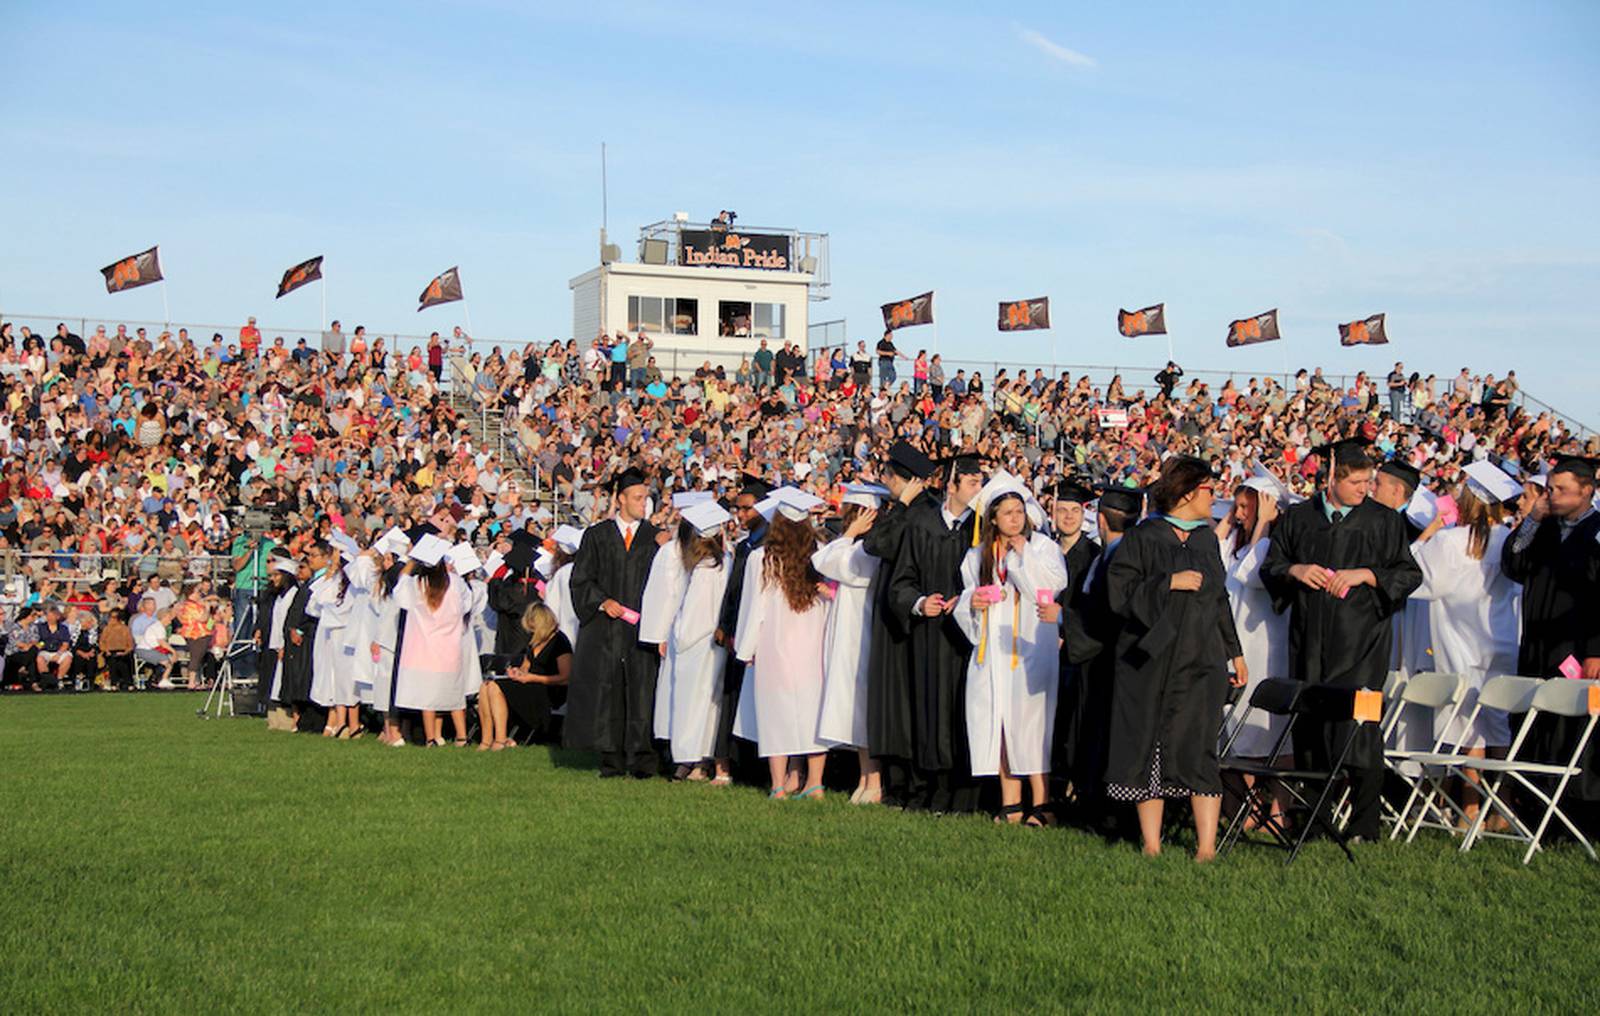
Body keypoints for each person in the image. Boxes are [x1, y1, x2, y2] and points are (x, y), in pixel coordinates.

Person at [1261, 438, 1423, 841]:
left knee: (1360, 730)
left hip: (1361, 643)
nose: (1364, 489)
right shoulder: (1300, 517)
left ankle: (1366, 825)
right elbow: (1272, 566)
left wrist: (1367, 574)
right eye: (1355, 481)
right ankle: (1315, 821)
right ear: (1332, 478)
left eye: (1369, 481)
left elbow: (1408, 574)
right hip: (1309, 641)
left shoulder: (1383, 521)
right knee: (1311, 727)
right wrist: (1296, 570)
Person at [1105, 456, 1247, 860]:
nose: (1213, 496)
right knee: (1149, 746)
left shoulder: (1205, 540)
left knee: (1201, 747)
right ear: (1186, 493)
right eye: (1207, 489)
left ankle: (1206, 849)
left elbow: (1220, 600)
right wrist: (1168, 582)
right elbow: (1118, 595)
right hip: (1152, 662)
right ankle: (1151, 845)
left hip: (1202, 659)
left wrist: (1234, 652)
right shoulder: (1144, 537)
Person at [1411, 462, 1524, 826]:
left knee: (1466, 722)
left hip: (1458, 639)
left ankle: (1470, 806)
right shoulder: (1509, 540)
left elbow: (1419, 578)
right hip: (1501, 637)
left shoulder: (1450, 541)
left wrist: (1428, 533)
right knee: (1498, 720)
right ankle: (1502, 804)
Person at [954, 474, 1069, 825]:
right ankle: (1011, 802)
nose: (1015, 519)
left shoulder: (1043, 547)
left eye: (1019, 511)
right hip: (993, 653)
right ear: (993, 519)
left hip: (1032, 650)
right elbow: (965, 599)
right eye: (1007, 513)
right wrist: (970, 601)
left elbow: (1051, 587)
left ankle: (1043, 802)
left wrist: (1023, 557)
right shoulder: (978, 555)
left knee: (1033, 726)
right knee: (1000, 723)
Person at [887, 452, 984, 813]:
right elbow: (900, 584)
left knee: (963, 712)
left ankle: (962, 794)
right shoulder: (921, 525)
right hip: (930, 637)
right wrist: (918, 602)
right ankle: (925, 788)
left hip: (968, 638)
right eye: (972, 482)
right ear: (952, 484)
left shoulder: (982, 528)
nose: (978, 489)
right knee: (928, 711)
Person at [1501, 455, 1600, 804]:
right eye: (1550, 488)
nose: (1552, 495)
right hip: (1537, 643)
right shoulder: (1543, 527)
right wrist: (1531, 520)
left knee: (1572, 728)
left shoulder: (1596, 532)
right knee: (1535, 719)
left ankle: (1576, 810)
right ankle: (1534, 806)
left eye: (1561, 489)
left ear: (1586, 491)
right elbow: (1513, 565)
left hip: (1576, 645)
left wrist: (1595, 650)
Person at [565, 468, 663, 779]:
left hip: (642, 630)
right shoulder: (597, 536)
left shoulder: (654, 538)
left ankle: (643, 759)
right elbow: (581, 580)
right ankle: (611, 759)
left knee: (642, 690)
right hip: (607, 628)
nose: (643, 503)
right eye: (637, 498)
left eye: (646, 498)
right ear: (620, 499)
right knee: (610, 692)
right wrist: (602, 601)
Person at [735, 487, 830, 799]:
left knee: (774, 713)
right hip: (812, 643)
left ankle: (778, 786)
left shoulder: (761, 559)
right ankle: (814, 783)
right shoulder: (820, 554)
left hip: (775, 644)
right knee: (813, 711)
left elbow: (754, 609)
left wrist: (746, 649)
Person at [1057, 486, 1142, 821]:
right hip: (1095, 661)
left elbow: (1106, 614)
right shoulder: (1107, 555)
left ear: (1100, 519)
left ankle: (1102, 809)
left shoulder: (1118, 558)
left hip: (1108, 660)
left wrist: (1063, 618)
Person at [1213, 477, 1293, 828]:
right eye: (1238, 507)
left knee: (1274, 732)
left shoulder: (1273, 546)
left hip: (1266, 649)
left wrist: (1262, 522)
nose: (1240, 514)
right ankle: (1248, 809)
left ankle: (1279, 810)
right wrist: (1232, 518)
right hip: (1239, 648)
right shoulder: (1238, 543)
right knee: (1239, 730)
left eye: (1246, 507)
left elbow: (1251, 575)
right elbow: (1213, 551)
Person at [864, 443, 937, 805]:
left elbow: (877, 544)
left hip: (911, 617)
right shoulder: (913, 509)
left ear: (899, 479)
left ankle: (911, 784)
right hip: (897, 616)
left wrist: (904, 503)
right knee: (894, 701)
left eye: (887, 477)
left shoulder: (919, 512)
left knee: (907, 701)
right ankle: (898, 782)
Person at [640, 500, 732, 780]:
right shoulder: (724, 559)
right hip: (712, 642)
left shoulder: (705, 567)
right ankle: (698, 761)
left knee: (694, 703)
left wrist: (676, 634)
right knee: (706, 703)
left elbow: (691, 611)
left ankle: (694, 761)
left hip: (697, 642)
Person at [812, 483, 888, 804]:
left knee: (864, 704)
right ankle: (864, 775)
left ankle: (875, 779)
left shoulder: (868, 551)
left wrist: (850, 534)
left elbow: (826, 562)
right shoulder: (852, 546)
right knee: (852, 705)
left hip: (863, 632)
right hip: (847, 632)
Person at [712, 474, 770, 784]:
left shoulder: (766, 543)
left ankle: (753, 767)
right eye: (739, 509)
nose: (741, 515)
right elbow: (734, 591)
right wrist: (725, 623)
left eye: (746, 509)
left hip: (754, 632)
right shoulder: (748, 544)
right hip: (737, 628)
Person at [392, 539, 470, 746]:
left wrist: (411, 561)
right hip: (449, 647)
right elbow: (468, 604)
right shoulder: (455, 582)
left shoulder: (418, 584)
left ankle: (431, 737)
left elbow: (400, 592)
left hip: (423, 649)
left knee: (428, 698)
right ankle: (461, 736)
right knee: (451, 693)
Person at [487, 602, 572, 746]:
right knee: (486, 687)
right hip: (531, 684)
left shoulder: (559, 642)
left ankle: (500, 739)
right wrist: (517, 672)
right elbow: (525, 667)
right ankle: (487, 738)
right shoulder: (534, 642)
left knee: (495, 687)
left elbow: (566, 678)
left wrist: (533, 678)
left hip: (550, 688)